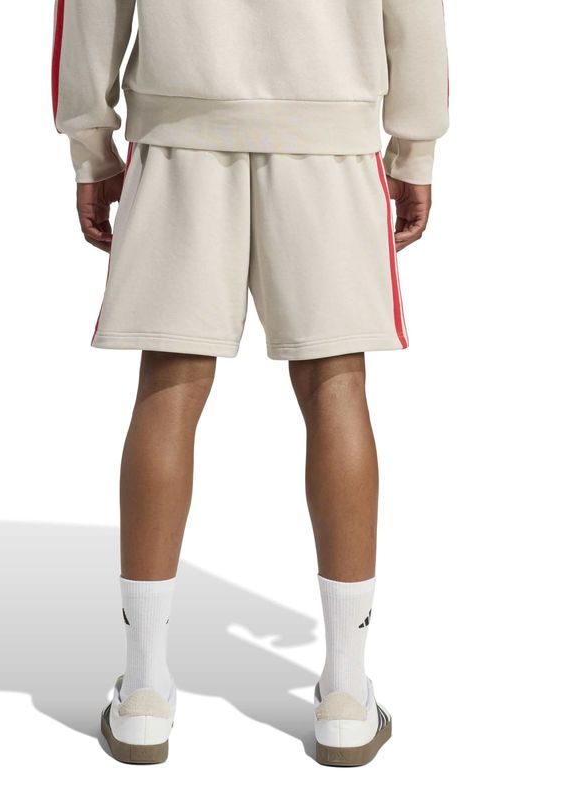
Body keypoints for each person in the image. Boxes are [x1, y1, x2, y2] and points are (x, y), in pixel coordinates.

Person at [51, 0, 449, 767]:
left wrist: (91, 148)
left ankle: (143, 693)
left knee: (169, 383)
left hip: (182, 130)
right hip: (330, 131)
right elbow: (415, 11)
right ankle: (345, 693)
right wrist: (415, 151)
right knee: (336, 384)